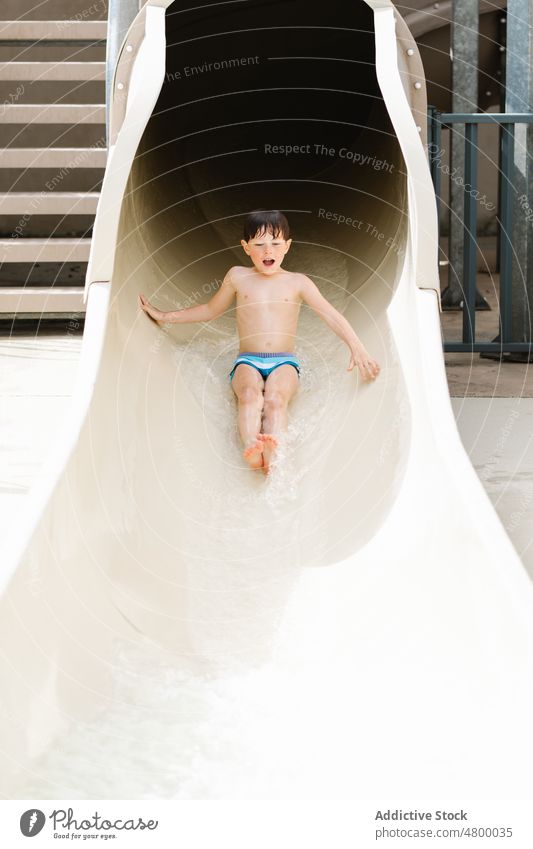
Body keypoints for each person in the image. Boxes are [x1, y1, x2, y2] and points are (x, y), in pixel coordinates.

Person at [139, 210, 380, 474]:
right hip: (248, 360)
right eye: (260, 244)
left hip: (284, 361)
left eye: (276, 244)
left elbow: (331, 315)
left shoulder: (298, 282)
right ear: (246, 247)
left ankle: (273, 449)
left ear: (287, 246)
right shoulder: (237, 277)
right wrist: (165, 316)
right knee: (249, 395)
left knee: (276, 399)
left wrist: (357, 348)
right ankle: (252, 446)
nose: (269, 251)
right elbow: (210, 310)